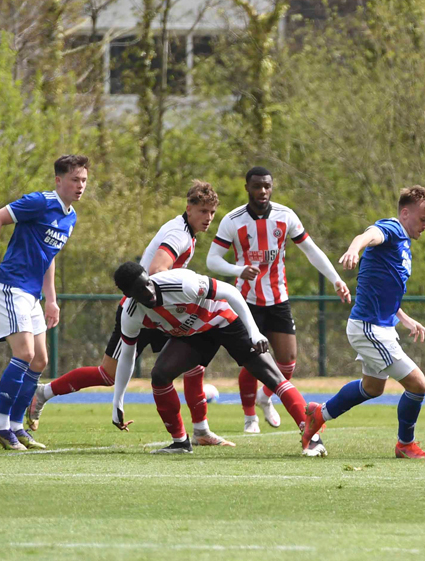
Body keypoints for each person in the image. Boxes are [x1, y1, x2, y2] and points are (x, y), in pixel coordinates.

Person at [26, 181, 221, 435]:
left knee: (194, 362)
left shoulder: (186, 231)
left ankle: (201, 431)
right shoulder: (179, 235)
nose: (208, 218)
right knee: (108, 375)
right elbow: (157, 271)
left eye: (212, 212)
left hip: (158, 312)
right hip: (140, 311)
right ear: (189, 208)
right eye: (203, 211)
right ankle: (43, 392)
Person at [108, 261, 315, 455]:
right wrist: (118, 401)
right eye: (140, 291)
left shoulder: (181, 283)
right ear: (128, 295)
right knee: (160, 376)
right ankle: (180, 442)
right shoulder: (130, 314)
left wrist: (253, 332)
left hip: (223, 321)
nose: (149, 292)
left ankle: (312, 438)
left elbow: (231, 292)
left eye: (148, 284)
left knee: (272, 376)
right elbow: (127, 355)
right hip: (194, 336)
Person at [207, 166, 351, 434]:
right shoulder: (233, 220)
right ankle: (250, 417)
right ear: (247, 187)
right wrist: (238, 270)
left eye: (267, 186)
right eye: (257, 186)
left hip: (278, 298)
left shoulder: (286, 216)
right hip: (246, 300)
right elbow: (212, 259)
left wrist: (335, 279)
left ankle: (265, 397)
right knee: (253, 360)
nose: (262, 191)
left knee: (287, 362)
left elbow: (310, 249)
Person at [300, 186, 425, 460]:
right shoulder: (392, 228)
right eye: (423, 219)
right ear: (405, 212)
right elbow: (369, 235)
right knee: (418, 385)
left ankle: (318, 413)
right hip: (369, 328)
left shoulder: (404, 244)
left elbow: (386, 288)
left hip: (380, 326)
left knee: (372, 388)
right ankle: (405, 445)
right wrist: (354, 248)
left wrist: (404, 318)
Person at [0, 155, 88, 451]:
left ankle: (16, 426)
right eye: (74, 180)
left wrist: (51, 299)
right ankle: (0, 425)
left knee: (40, 360)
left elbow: (47, 257)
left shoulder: (70, 216)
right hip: (9, 287)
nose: (80, 186)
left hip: (32, 295)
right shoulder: (40, 202)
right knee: (25, 353)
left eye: (83, 181)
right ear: (58, 181)